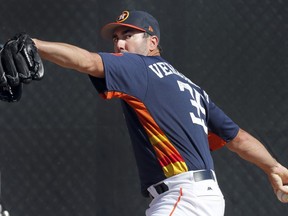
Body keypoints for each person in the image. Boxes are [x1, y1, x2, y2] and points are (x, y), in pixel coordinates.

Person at [3, 10, 288, 216]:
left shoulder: (139, 67)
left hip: (182, 198)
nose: (120, 43)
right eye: (116, 37)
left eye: (129, 34)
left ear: (153, 43)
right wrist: (273, 166)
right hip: (205, 198)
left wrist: (34, 45)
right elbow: (238, 138)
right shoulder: (193, 88)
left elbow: (87, 61)